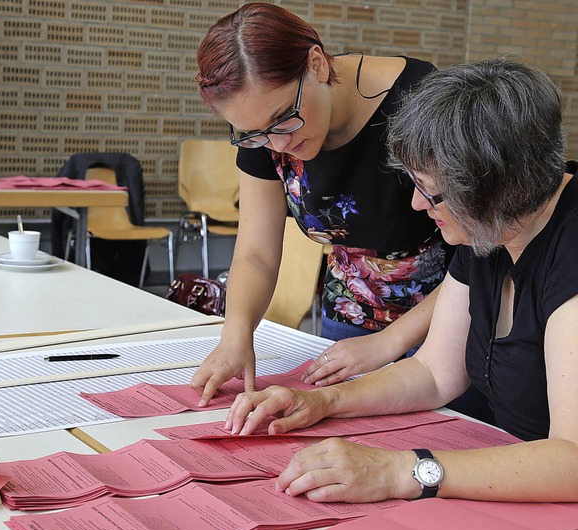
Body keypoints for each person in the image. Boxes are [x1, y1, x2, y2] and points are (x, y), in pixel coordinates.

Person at [224, 57, 578, 504]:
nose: (415, 204)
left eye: (430, 191)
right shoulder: (492, 228)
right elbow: (433, 373)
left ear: (497, 187)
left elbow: (572, 458)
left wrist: (401, 470)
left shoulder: (561, 246)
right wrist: (319, 402)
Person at [191, 2, 452, 406]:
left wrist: (391, 341)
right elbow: (257, 253)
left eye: (284, 119)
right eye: (254, 134)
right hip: (348, 323)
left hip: (444, 325)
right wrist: (236, 336)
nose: (277, 144)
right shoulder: (264, 129)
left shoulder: (422, 103)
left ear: (316, 64)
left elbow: (482, 255)